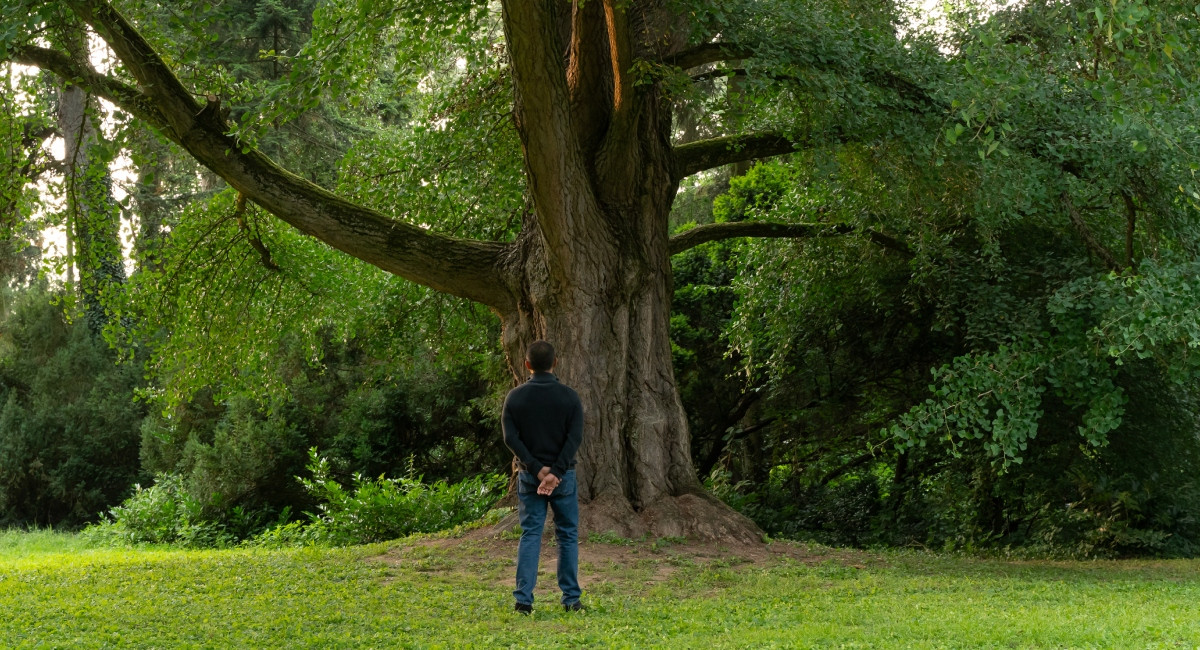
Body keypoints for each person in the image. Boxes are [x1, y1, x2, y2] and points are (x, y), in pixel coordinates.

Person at [502, 340, 585, 614]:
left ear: (527, 365)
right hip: (564, 477)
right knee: (568, 535)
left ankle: (523, 601)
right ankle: (571, 600)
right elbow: (575, 438)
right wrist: (556, 472)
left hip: (529, 476)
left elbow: (510, 438)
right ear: (555, 362)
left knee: (531, 534)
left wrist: (537, 469)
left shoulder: (515, 397)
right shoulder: (570, 397)